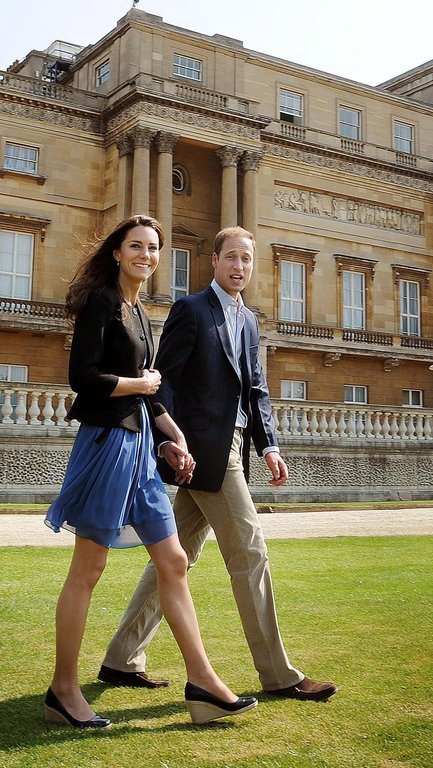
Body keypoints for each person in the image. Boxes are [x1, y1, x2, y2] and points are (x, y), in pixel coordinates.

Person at [98, 226, 338, 703]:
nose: (239, 266)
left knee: (176, 558)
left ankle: (122, 659)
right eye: (231, 257)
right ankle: (279, 675)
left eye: (246, 259)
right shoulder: (191, 310)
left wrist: (269, 446)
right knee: (250, 553)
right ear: (214, 260)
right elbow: (163, 382)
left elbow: (256, 389)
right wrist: (169, 441)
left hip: (234, 444)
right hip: (205, 450)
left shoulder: (248, 319)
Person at [43, 215, 257, 728]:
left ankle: (203, 684)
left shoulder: (139, 311)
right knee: (88, 570)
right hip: (107, 445)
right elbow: (84, 378)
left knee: (175, 561)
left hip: (141, 446)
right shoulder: (101, 302)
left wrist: (172, 435)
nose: (146, 255)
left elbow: (150, 390)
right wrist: (141, 387)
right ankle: (63, 691)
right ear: (117, 252)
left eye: (154, 248)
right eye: (136, 246)